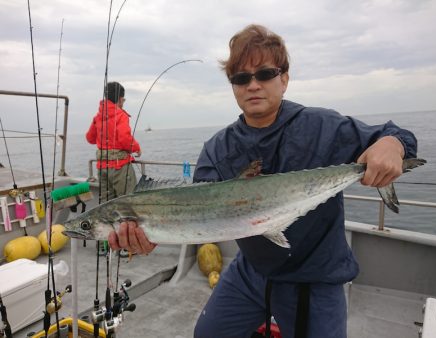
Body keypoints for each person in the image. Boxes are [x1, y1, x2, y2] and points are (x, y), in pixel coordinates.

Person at [108, 24, 417, 338]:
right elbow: (198, 213)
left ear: (284, 78)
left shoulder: (321, 126)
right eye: (241, 78)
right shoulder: (218, 148)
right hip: (252, 270)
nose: (252, 85)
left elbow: (396, 135)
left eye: (265, 74)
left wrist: (391, 146)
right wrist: (153, 235)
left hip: (315, 275)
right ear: (233, 86)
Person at [86, 81, 142, 203]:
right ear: (121, 99)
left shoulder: (98, 116)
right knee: (128, 202)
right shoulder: (121, 115)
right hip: (120, 167)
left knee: (107, 205)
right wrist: (137, 148)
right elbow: (124, 138)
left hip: (102, 168)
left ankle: (109, 223)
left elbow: (90, 138)